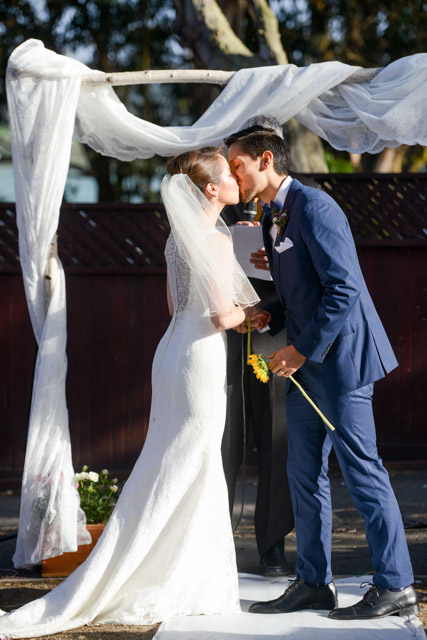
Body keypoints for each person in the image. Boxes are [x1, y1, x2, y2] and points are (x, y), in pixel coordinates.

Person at [0, 148, 260, 638]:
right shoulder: (217, 240)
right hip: (200, 355)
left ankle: (170, 571)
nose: (234, 181)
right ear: (210, 190)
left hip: (172, 351)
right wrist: (255, 314)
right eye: (227, 176)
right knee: (195, 462)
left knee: (171, 460)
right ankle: (179, 576)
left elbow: (172, 304)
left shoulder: (175, 239)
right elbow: (222, 316)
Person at [225, 127, 419, 620]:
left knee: (362, 471)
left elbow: (343, 290)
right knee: (302, 474)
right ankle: (314, 582)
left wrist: (298, 351)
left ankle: (396, 584)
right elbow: (303, 292)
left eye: (237, 166)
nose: (233, 175)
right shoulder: (270, 217)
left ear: (265, 159)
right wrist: (274, 315)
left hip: (343, 363)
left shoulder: (316, 207)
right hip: (308, 367)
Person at [221, 116, 294, 578]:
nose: (235, 175)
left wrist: (277, 259)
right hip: (224, 330)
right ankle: (215, 540)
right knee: (225, 438)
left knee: (275, 439)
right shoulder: (220, 206)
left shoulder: (283, 209)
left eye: (239, 164)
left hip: (273, 327)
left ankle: (272, 546)